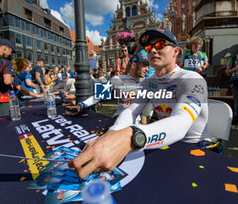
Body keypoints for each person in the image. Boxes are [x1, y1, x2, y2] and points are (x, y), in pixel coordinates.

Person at [68, 29, 210, 178]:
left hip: (195, 145)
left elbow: (182, 122)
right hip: (166, 143)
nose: (153, 50)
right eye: (149, 48)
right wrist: (113, 133)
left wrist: (128, 138)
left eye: (160, 44)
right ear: (133, 64)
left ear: (175, 51)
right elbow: (132, 109)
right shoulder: (148, 82)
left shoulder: (193, 79)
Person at [66, 52, 149, 118]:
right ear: (134, 65)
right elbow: (98, 96)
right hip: (119, 119)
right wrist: (81, 105)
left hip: (137, 123)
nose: (147, 69)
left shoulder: (147, 82)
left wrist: (145, 118)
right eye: (144, 65)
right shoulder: (116, 79)